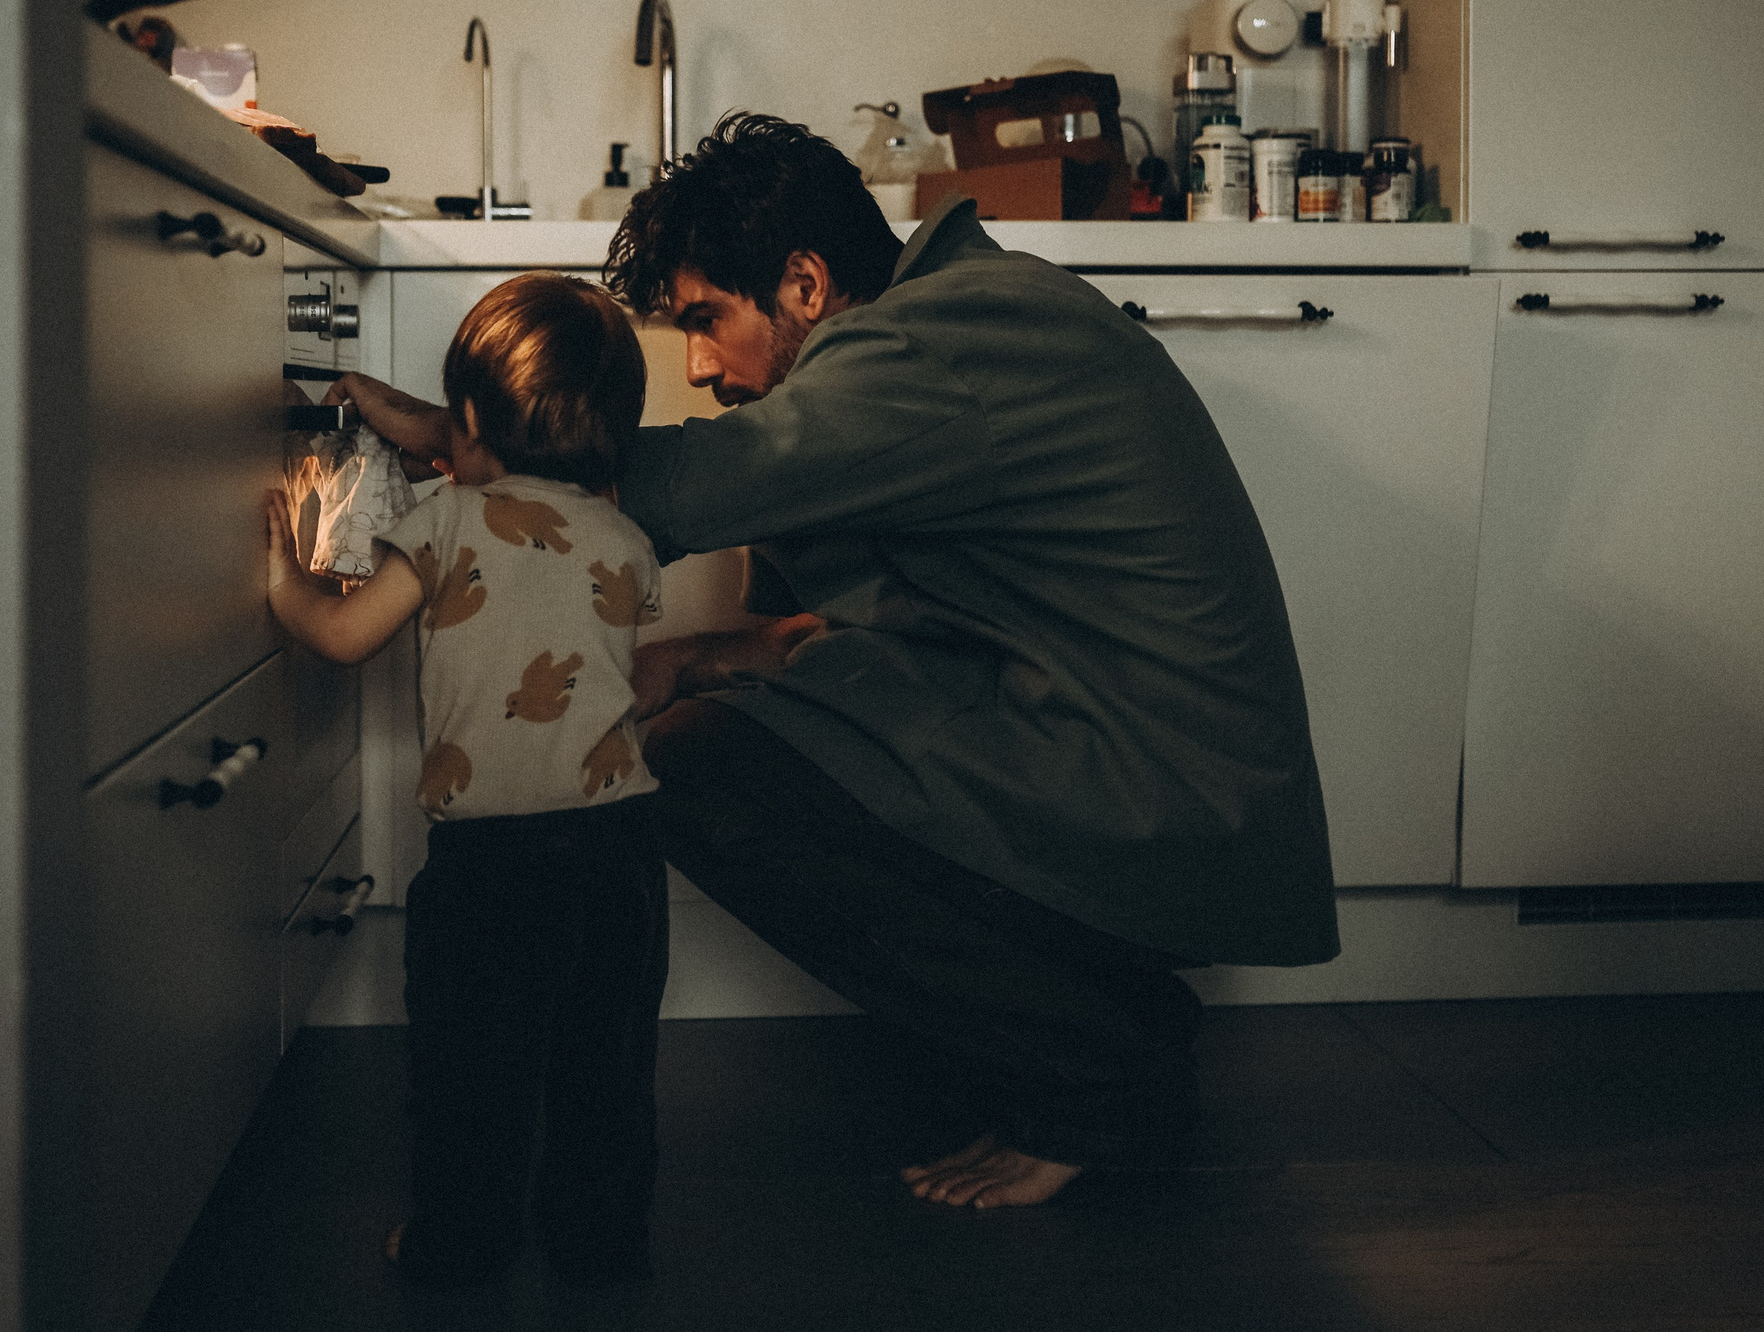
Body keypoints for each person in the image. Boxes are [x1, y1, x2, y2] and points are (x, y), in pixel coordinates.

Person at [335, 112, 1339, 1214]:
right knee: (717, 712)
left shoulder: (930, 342)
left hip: (1158, 793)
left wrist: (456, 431)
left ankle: (1104, 1087)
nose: (705, 368)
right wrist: (711, 655)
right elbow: (866, 612)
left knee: (698, 769)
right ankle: (1110, 1012)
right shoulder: (962, 316)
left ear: (805, 284)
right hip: (1114, 744)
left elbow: (663, 490)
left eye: (707, 320)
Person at [268, 272, 667, 1288]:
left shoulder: (447, 520)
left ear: (470, 422)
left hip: (492, 866)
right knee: (605, 1073)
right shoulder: (627, 540)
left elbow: (343, 636)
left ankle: (460, 1247)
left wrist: (285, 572)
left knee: (471, 1077)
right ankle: (600, 1248)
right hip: (623, 853)